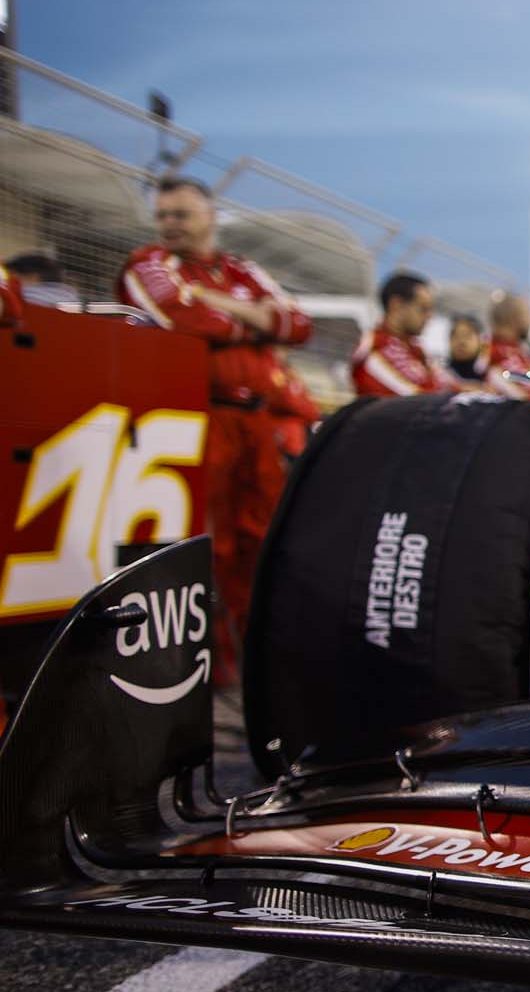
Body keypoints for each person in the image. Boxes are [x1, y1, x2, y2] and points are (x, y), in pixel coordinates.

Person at [118, 176, 314, 680]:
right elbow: (184, 320)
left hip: (256, 423)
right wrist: (253, 322)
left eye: (181, 214)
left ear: (209, 215)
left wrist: (225, 305)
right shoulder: (148, 263)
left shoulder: (241, 270)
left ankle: (262, 660)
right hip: (196, 419)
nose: (170, 225)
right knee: (210, 545)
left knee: (264, 537)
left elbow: (298, 325)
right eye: (163, 215)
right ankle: (213, 670)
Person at [351, 271, 459, 397]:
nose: (429, 316)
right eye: (423, 308)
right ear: (396, 305)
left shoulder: (418, 352)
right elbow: (420, 402)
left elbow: (454, 387)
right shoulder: (373, 349)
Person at [483, 291, 530, 397]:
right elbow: (492, 377)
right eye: (527, 313)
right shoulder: (489, 348)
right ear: (512, 317)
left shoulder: (522, 350)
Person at [5, 251, 80, 305]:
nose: (7, 281)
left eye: (10, 276)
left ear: (32, 277)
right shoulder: (73, 302)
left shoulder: (22, 299)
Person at [445, 314, 486, 382]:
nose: (461, 342)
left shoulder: (491, 377)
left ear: (479, 340)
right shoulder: (441, 375)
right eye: (456, 336)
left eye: (467, 336)